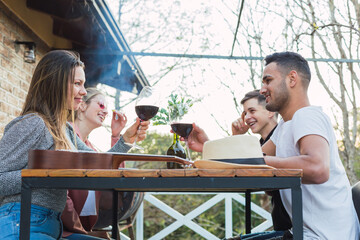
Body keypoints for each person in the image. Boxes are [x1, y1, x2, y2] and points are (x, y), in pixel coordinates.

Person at [186, 52, 359, 239]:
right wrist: (208, 146)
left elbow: (318, 168)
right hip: (303, 232)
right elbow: (247, 158)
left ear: (292, 79)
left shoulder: (307, 115)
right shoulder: (285, 125)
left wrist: (263, 161)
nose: (262, 89)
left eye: (268, 80)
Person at [0, 50, 149, 239]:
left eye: (83, 84)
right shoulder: (34, 124)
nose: (84, 91)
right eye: (77, 83)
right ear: (55, 84)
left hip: (52, 225)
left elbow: (99, 162)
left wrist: (126, 140)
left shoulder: (65, 130)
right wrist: (42, 175)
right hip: (21, 222)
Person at [61, 87, 129, 239]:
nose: (105, 112)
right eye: (101, 105)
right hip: (63, 228)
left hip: (81, 228)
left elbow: (114, 176)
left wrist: (116, 136)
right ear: (83, 106)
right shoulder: (64, 136)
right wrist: (79, 229)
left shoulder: (90, 147)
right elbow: (60, 194)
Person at [231, 90, 291, 239]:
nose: (247, 118)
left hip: (293, 229)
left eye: (252, 111)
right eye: (245, 113)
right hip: (282, 228)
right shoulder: (261, 145)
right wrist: (237, 138)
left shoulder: (283, 138)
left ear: (270, 111)